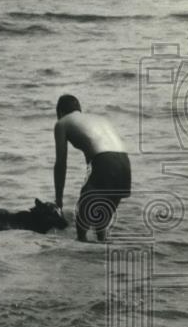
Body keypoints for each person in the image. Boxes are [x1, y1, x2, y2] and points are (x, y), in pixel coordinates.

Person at [53, 94, 131, 243]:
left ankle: (81, 263)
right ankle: (99, 262)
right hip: (124, 164)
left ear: (60, 113)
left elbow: (61, 164)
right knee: (101, 228)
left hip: (104, 161)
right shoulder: (98, 119)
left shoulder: (62, 123)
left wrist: (59, 200)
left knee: (81, 230)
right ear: (79, 110)